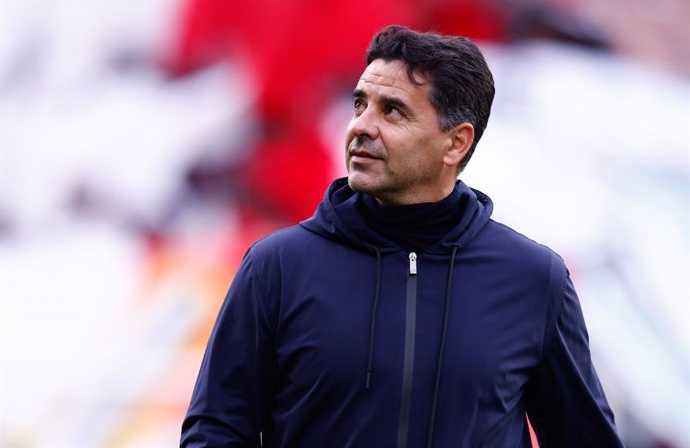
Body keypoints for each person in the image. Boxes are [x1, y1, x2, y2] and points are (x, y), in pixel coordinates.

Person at [181, 25, 624, 447]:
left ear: (456, 143)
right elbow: (215, 432)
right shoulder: (276, 267)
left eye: (391, 111)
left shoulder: (534, 279)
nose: (360, 127)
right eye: (359, 105)